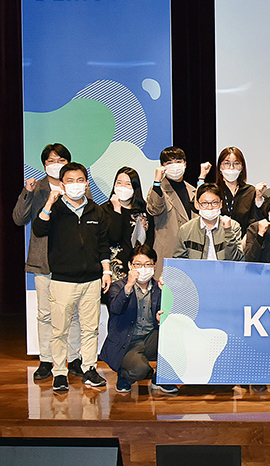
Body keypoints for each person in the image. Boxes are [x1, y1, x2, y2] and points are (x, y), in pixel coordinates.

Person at [32, 162, 112, 393]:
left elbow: (103, 244)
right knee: (59, 330)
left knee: (90, 329)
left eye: (80, 180)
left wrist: (106, 271)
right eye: (70, 181)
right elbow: (39, 229)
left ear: (86, 183)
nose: (75, 185)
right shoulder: (55, 209)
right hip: (62, 281)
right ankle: (59, 373)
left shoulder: (96, 211)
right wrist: (49, 202)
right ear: (62, 184)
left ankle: (89, 369)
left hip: (92, 280)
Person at [13, 143, 85, 381]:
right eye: (51, 161)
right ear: (44, 165)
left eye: (61, 160)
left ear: (68, 163)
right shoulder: (37, 188)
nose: (56, 165)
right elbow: (19, 219)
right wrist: (27, 192)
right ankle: (46, 360)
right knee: (45, 314)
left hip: (72, 260)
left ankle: (74, 358)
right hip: (43, 260)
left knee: (73, 313)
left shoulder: (77, 187)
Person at [99, 245, 176, 394]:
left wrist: (161, 316)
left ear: (154, 266)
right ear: (130, 265)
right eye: (138, 264)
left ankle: (160, 377)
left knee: (175, 337)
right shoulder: (118, 287)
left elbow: (171, 313)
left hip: (150, 338)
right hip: (127, 342)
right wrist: (128, 286)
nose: (143, 269)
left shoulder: (159, 287)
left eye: (148, 264)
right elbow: (115, 308)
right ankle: (124, 374)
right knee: (139, 369)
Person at [147, 146, 208, 273]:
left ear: (185, 163)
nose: (174, 166)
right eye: (169, 163)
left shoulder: (191, 190)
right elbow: (154, 209)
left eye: (178, 161)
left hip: (192, 253)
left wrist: (202, 177)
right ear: (162, 167)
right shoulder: (158, 190)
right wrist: (157, 181)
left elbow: (200, 207)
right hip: (168, 252)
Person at [101, 167, 155, 283]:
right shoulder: (104, 210)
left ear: (135, 187)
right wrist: (117, 210)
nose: (122, 187)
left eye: (128, 184)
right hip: (114, 271)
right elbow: (114, 237)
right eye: (119, 183)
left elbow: (150, 240)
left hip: (139, 270)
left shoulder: (144, 211)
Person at [174, 183, 244, 261]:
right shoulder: (186, 229)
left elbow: (234, 259)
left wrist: (228, 231)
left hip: (223, 269)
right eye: (204, 203)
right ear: (197, 205)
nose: (210, 207)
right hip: (196, 269)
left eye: (214, 203)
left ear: (221, 204)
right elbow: (178, 260)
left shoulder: (233, 226)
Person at [210, 146, 259, 234]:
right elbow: (196, 207)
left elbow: (254, 221)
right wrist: (201, 178)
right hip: (218, 239)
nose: (231, 167)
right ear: (220, 167)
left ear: (242, 167)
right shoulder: (213, 190)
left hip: (244, 239)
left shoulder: (250, 191)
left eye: (236, 163)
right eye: (226, 163)